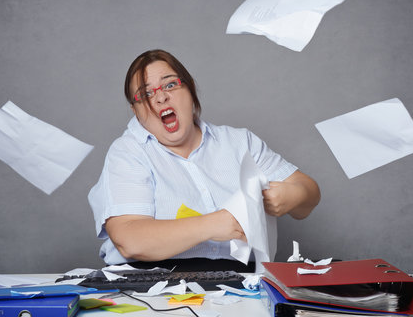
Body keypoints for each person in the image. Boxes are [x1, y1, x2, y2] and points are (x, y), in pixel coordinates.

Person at [88, 49, 320, 271]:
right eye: (146, 93)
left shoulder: (240, 142)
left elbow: (309, 193)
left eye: (170, 84)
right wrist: (216, 223)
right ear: (135, 111)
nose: (160, 97)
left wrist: (293, 196)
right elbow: (130, 240)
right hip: (153, 282)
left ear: (190, 91)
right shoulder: (128, 152)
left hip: (241, 280)